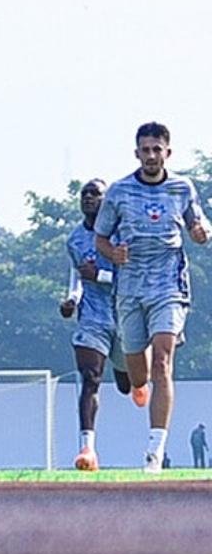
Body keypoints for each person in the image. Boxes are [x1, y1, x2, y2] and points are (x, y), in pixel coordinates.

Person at [94, 122, 208, 474]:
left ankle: (154, 451)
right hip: (130, 289)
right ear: (137, 153)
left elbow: (199, 226)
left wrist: (201, 233)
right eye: (145, 150)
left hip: (168, 286)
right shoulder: (119, 191)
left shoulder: (181, 187)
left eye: (157, 149)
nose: (151, 156)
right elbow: (101, 238)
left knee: (163, 362)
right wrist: (113, 254)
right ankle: (137, 382)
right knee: (139, 375)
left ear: (167, 153)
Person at [59, 178, 131, 471]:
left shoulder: (121, 234)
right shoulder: (74, 239)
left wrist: (99, 276)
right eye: (85, 194)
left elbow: (131, 278)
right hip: (93, 319)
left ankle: (132, 375)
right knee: (91, 377)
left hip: (125, 316)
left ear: (106, 200)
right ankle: (87, 449)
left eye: (95, 194)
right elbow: (78, 277)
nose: (89, 198)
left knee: (127, 385)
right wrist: (71, 300)